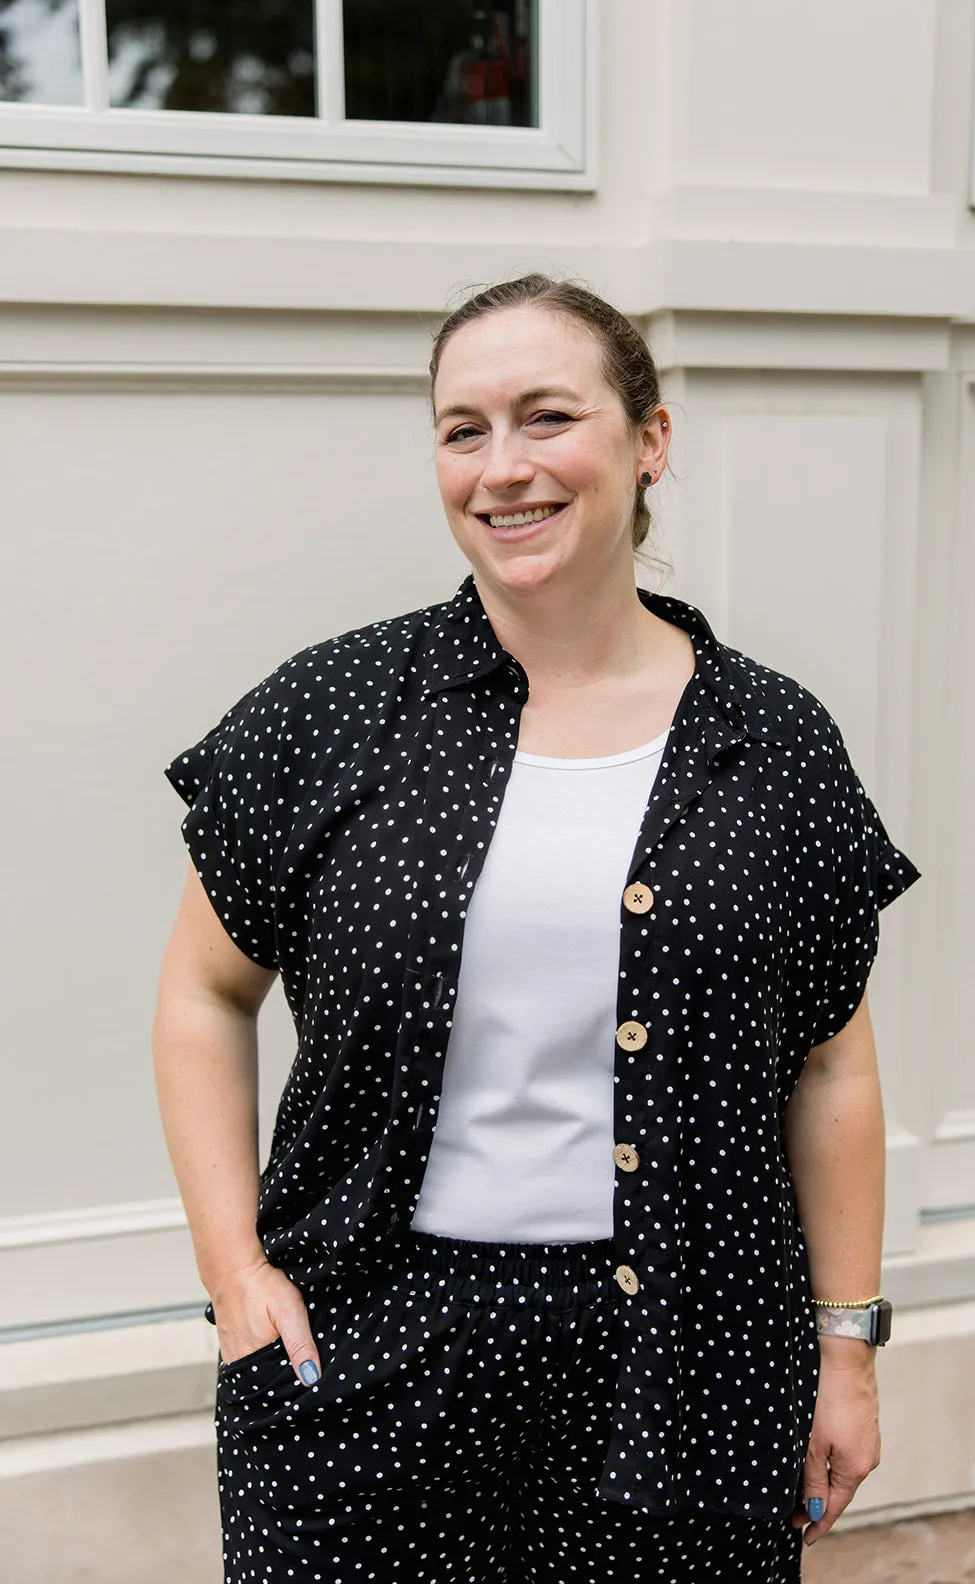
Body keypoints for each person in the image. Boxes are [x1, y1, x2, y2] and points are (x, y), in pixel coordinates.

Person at [154, 273, 920, 1583]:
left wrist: (844, 1346)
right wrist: (234, 1274)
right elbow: (200, 996)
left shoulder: (770, 744)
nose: (502, 469)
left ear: (649, 440)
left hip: (691, 1368)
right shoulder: (333, 711)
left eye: (545, 417)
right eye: (463, 430)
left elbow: (832, 1063)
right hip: (369, 1355)